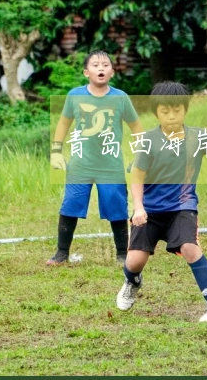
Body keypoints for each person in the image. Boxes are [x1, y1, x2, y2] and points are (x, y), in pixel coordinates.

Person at [116, 81, 207, 322]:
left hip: (182, 206)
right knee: (135, 261)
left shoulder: (198, 137)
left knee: (190, 248)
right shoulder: (148, 141)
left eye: (176, 110)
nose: (171, 116)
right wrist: (138, 207)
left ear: (185, 110)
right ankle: (132, 280)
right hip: (148, 210)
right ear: (156, 113)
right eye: (165, 111)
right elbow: (136, 176)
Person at [48, 51, 143, 266]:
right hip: (81, 163)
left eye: (105, 65)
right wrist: (56, 151)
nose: (101, 68)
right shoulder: (75, 95)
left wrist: (140, 153)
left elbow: (136, 126)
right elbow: (63, 123)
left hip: (110, 165)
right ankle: (61, 253)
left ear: (112, 71)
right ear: (86, 72)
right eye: (95, 65)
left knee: (116, 205)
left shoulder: (120, 97)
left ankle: (122, 253)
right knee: (71, 204)